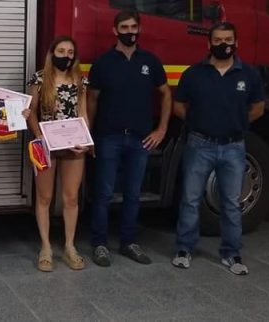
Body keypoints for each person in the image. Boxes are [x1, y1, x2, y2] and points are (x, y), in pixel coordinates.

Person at [171, 22, 265, 275]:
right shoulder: (193, 73)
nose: (224, 44)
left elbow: (258, 107)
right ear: (208, 43)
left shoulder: (248, 73)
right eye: (219, 40)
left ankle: (232, 254)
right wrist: (197, 122)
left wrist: (237, 123)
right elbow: (178, 106)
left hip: (234, 147)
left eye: (228, 40)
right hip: (199, 144)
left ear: (237, 43)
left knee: (231, 204)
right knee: (191, 200)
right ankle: (184, 249)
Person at [86, 9, 171, 267]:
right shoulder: (102, 63)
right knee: (103, 194)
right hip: (108, 138)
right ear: (115, 31)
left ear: (139, 29)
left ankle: (128, 242)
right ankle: (100, 244)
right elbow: (92, 99)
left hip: (140, 140)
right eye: (124, 27)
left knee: (133, 194)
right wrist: (88, 134)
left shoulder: (151, 61)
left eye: (134, 27)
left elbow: (166, 94)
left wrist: (162, 130)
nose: (130, 31)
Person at [26, 36, 90, 272]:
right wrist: (39, 135)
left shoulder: (80, 80)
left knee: (71, 197)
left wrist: (85, 141)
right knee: (44, 198)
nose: (66, 55)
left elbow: (83, 113)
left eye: (70, 51)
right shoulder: (40, 78)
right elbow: (30, 112)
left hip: (73, 146)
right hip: (44, 145)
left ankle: (70, 247)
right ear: (52, 53)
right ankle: (45, 247)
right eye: (61, 51)